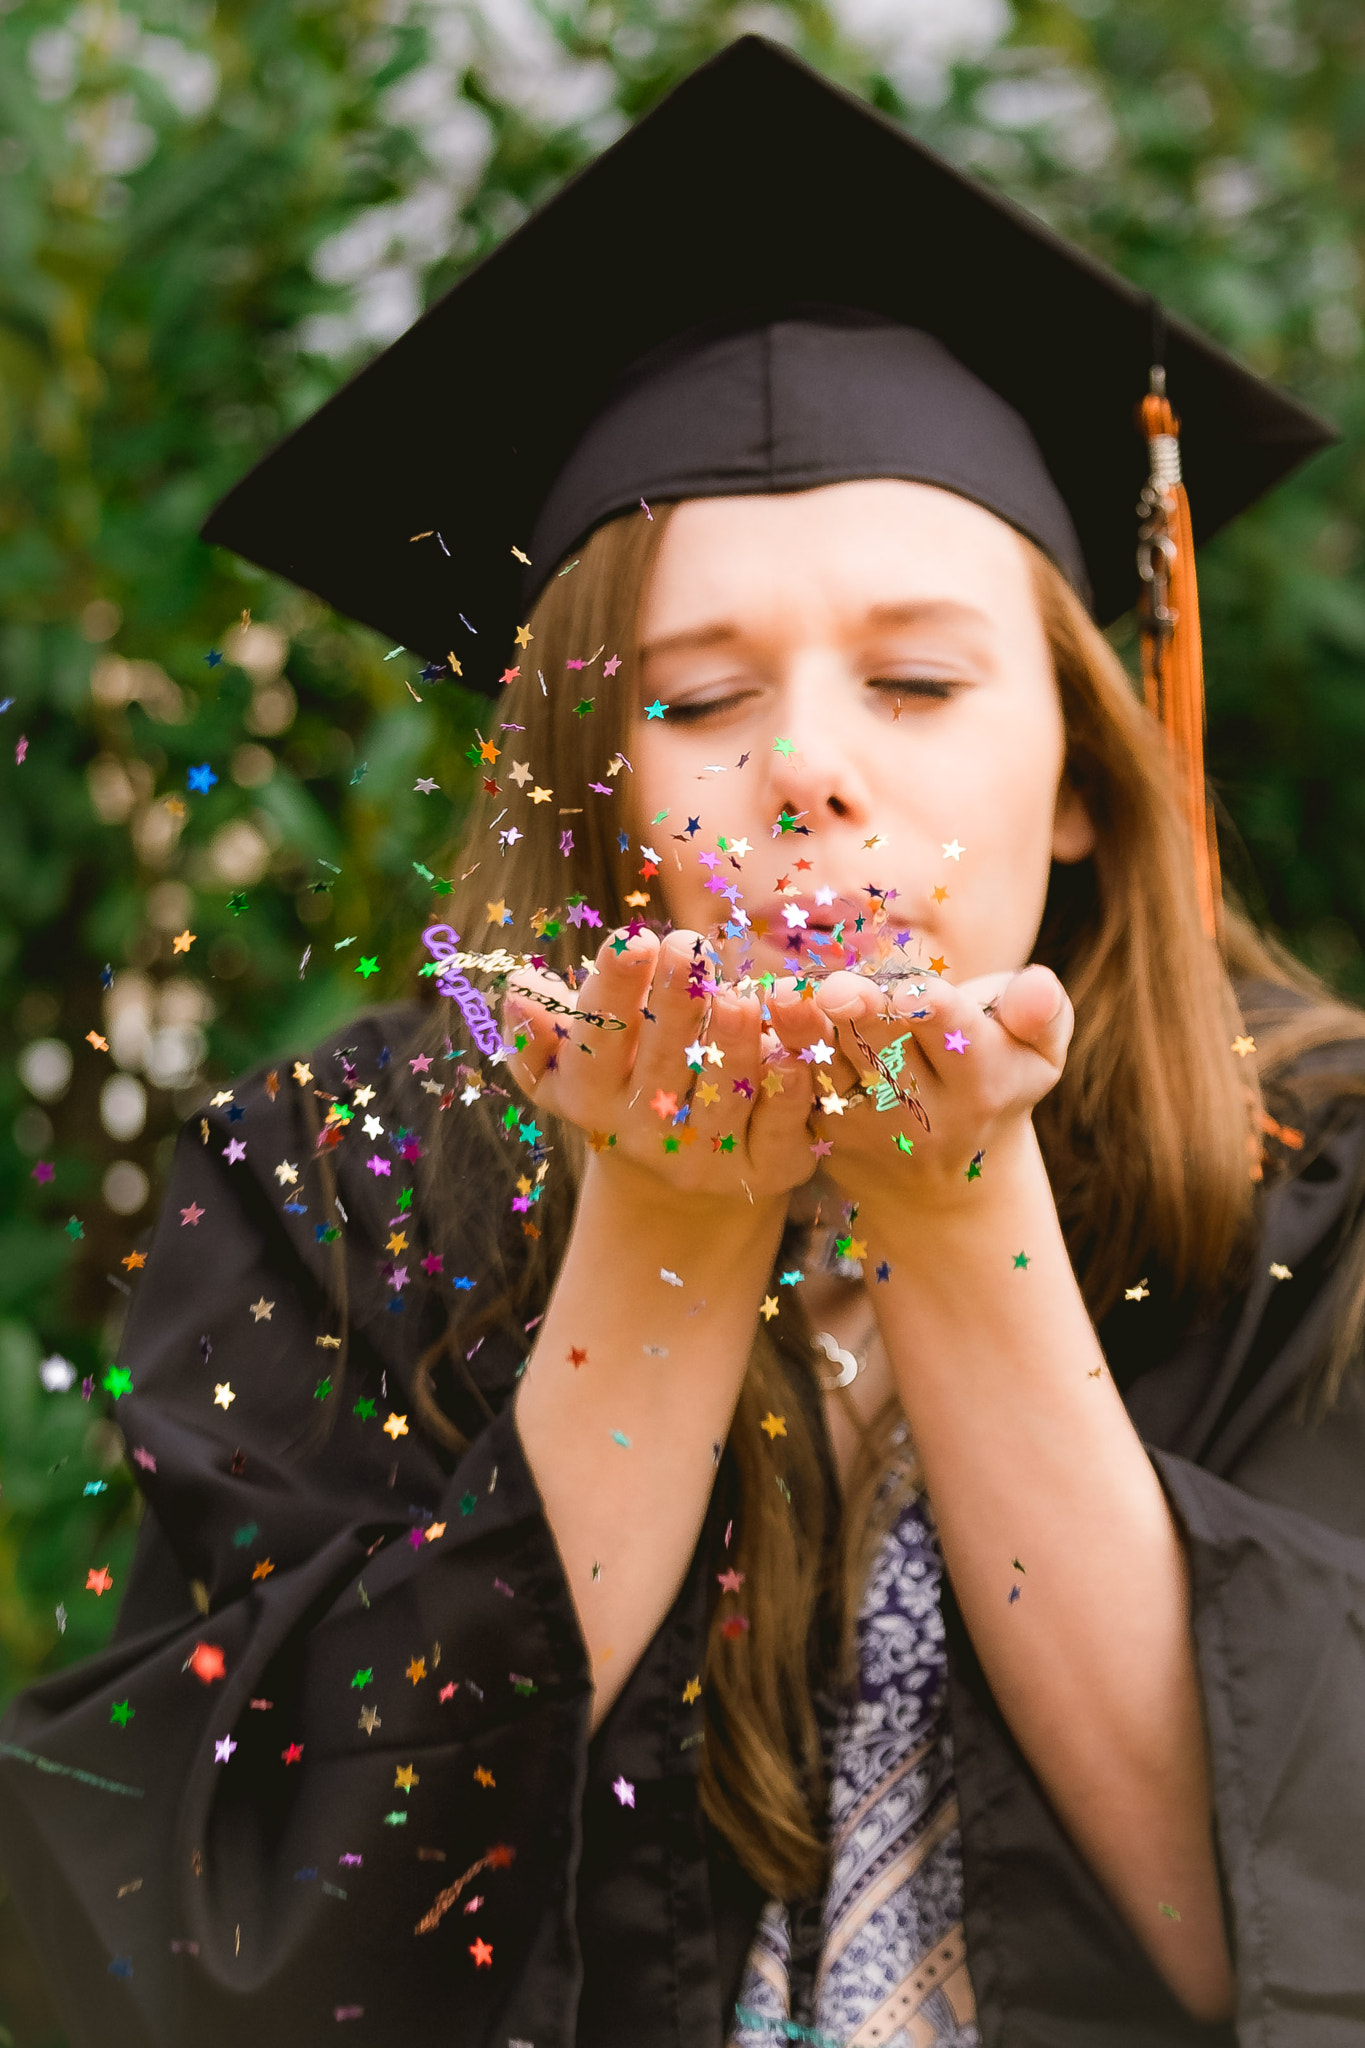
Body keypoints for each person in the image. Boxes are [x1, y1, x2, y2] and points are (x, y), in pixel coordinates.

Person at [5, 34, 1365, 2048]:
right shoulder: (351, 1187)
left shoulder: (1313, 1186)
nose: (803, 772)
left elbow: (1289, 1917)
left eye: (913, 679)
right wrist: (660, 1237)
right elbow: (198, 1959)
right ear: (582, 782)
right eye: (693, 697)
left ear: (1079, 761)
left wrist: (951, 1212)